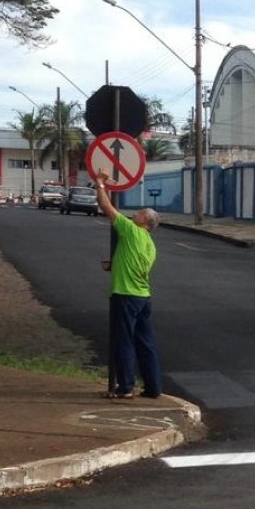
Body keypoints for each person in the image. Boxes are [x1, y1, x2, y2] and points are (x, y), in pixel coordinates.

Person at [95, 168, 162, 399]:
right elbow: (136, 265)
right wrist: (114, 265)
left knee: (123, 342)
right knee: (145, 342)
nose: (135, 214)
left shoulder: (131, 231)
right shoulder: (150, 245)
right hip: (143, 297)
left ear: (145, 221)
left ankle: (125, 387)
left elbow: (106, 208)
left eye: (140, 213)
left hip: (124, 295)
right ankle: (153, 387)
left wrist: (100, 183)